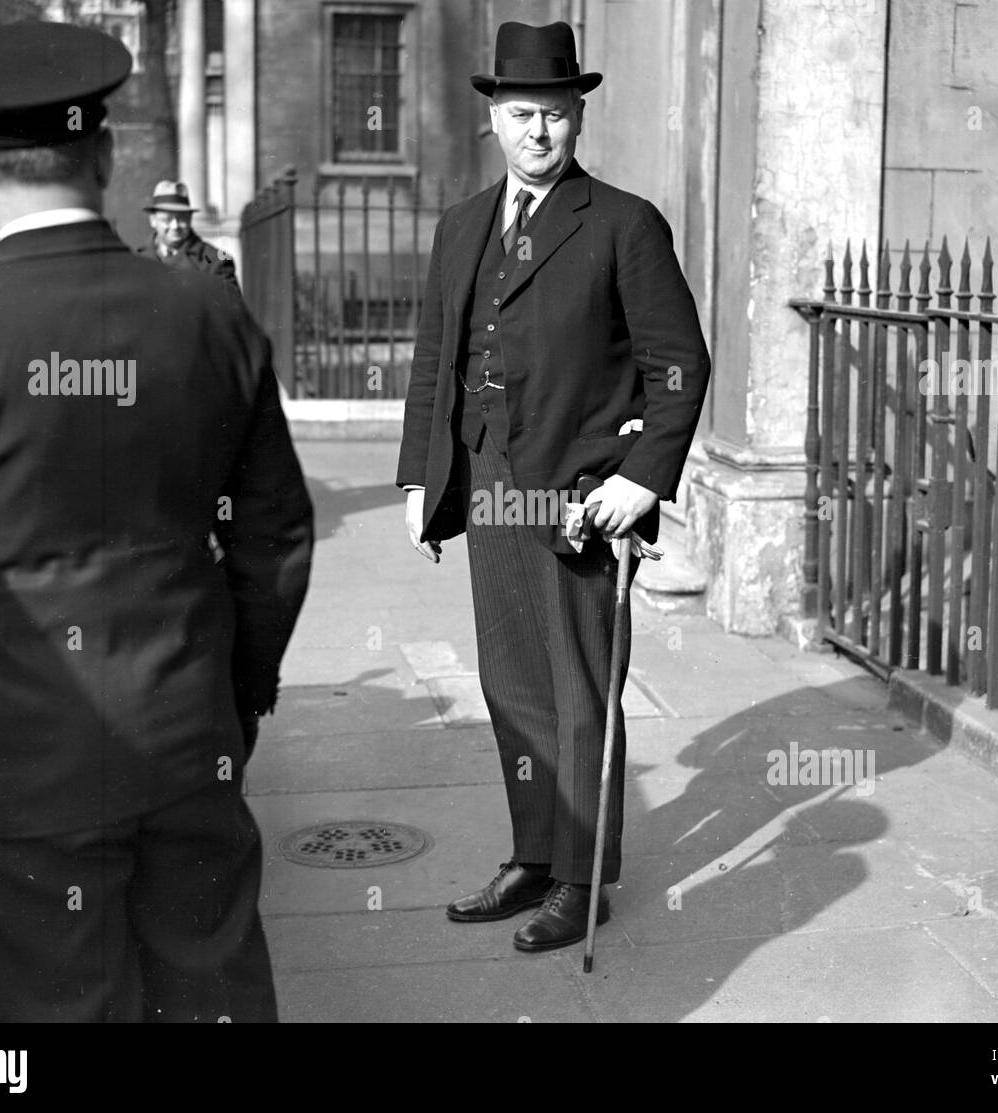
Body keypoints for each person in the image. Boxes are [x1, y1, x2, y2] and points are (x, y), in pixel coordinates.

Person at [0, 21, 313, 1020]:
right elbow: (276, 539)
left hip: (10, 757)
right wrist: (231, 696)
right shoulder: (208, 319)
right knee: (213, 996)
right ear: (107, 154)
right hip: (182, 726)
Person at [397, 20, 710, 952]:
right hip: (487, 480)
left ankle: (582, 878)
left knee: (577, 687)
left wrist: (643, 481)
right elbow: (432, 364)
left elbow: (679, 365)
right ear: (494, 117)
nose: (540, 131)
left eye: (558, 114)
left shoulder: (623, 224)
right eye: (524, 112)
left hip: (577, 491)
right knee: (511, 680)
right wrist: (421, 476)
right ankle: (535, 853)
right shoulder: (461, 228)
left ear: (578, 119)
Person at [139, 179, 240, 290]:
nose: (175, 226)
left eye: (182, 218)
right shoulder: (137, 260)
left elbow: (230, 306)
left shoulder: (215, 261)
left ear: (190, 218)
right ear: (153, 220)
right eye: (167, 219)